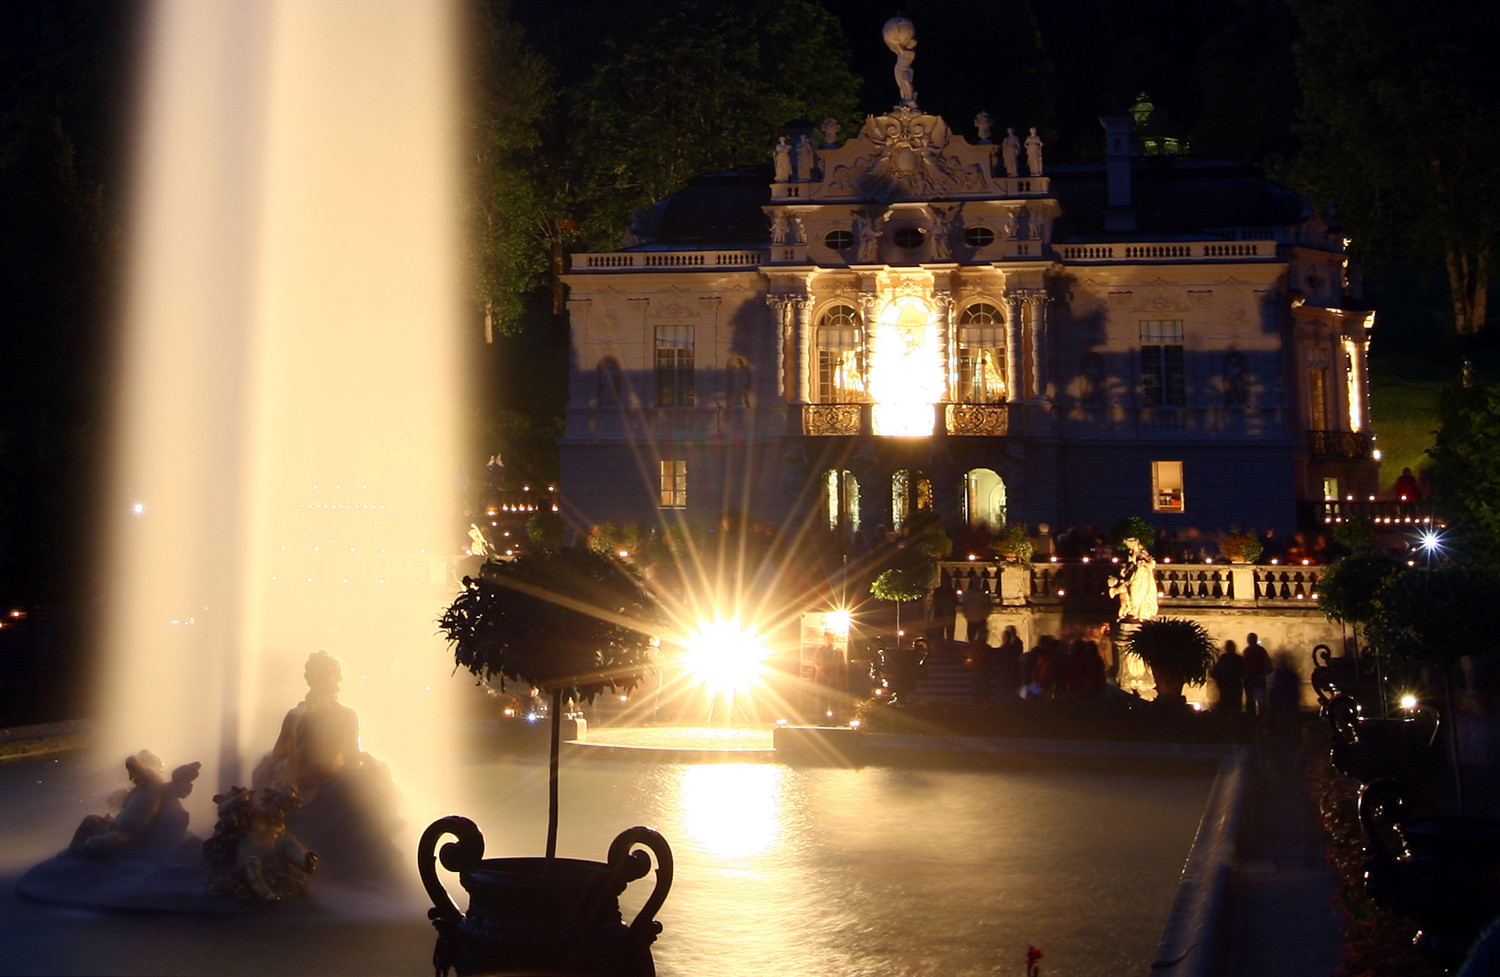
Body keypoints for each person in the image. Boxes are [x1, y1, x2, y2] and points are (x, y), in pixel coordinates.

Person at [1242, 633, 1271, 719]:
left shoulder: (1247, 651)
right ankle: (1260, 718)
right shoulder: (1260, 651)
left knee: (1252, 701)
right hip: (1257, 679)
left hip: (1252, 679)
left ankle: (1252, 719)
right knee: (1259, 701)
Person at [1211, 641, 1244, 713]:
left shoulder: (1223, 658)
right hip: (1236, 687)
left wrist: (1219, 682)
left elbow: (1214, 672)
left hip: (1225, 687)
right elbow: (1244, 673)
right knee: (1236, 709)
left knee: (1225, 708)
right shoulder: (1239, 659)